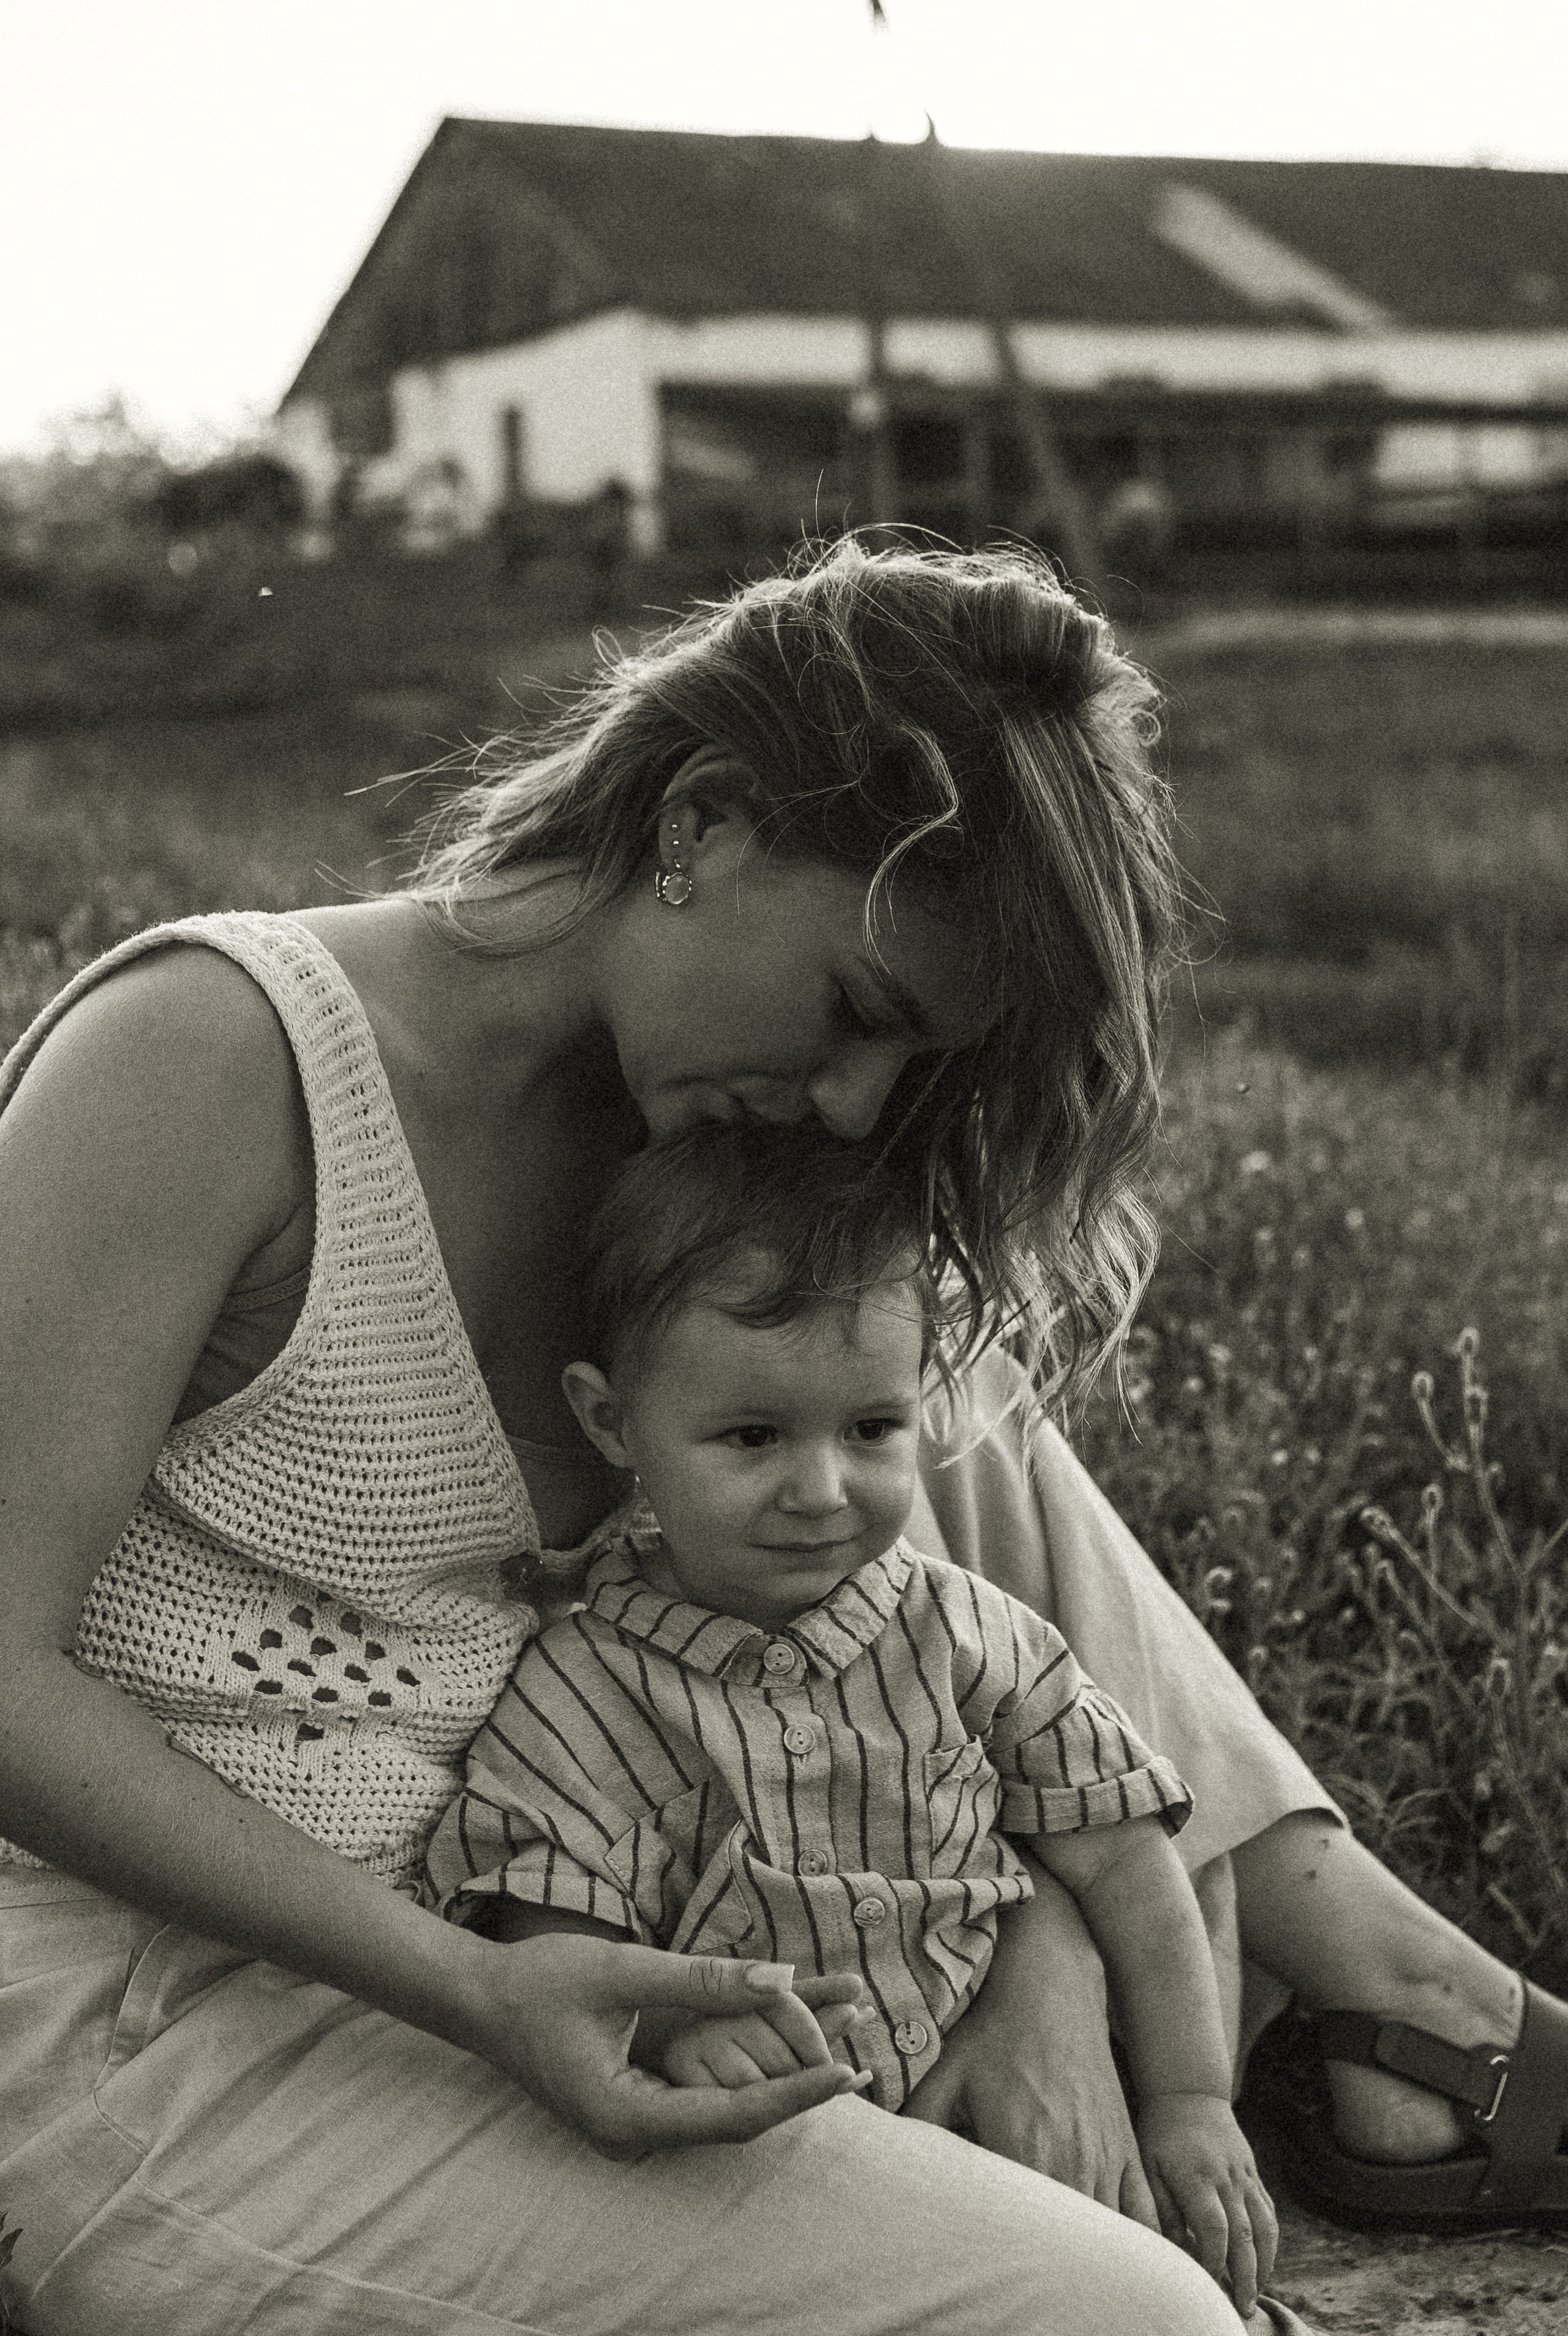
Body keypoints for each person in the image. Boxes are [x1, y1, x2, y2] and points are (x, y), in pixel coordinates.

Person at [0, 535, 1555, 2336]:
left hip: (571, 1938)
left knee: (904, 1409)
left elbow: (914, 1640)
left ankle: (1377, 1992)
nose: (855, 1105)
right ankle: (1383, 2012)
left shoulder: (705, 1169)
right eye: (858, 1014)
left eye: (912, 1066)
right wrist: (473, 1989)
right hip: (168, 2015)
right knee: (1129, 2327)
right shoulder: (211, 1054)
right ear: (701, 824)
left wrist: (1028, 1953)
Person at [429, 1121, 1281, 2317]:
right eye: (750, 1437)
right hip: (769, 2172)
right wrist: (671, 2021)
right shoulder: (585, 1693)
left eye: (869, 1430)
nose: (821, 1491)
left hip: (1009, 2119)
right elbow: (543, 1933)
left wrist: (1190, 2102)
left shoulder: (970, 1638)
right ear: (612, 1421)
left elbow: (1132, 1870)